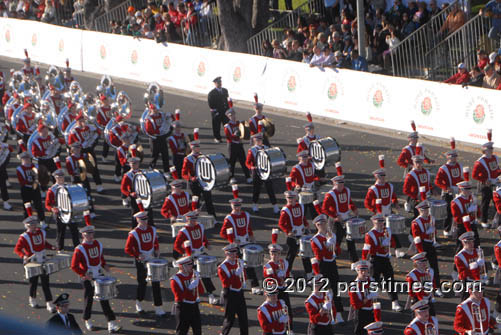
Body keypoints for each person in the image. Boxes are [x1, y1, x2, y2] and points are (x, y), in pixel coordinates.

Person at [71, 225, 121, 333]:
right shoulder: (79, 249)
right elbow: (74, 266)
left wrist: (104, 265)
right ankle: (87, 320)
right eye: (87, 234)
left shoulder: (98, 244)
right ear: (83, 235)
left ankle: (111, 323)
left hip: (99, 275)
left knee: (104, 298)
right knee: (89, 299)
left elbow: (100, 257)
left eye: (91, 233)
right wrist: (84, 274)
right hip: (87, 277)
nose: (90, 236)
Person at [124, 211, 167, 317]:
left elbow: (155, 242)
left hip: (152, 259)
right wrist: (138, 255)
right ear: (137, 220)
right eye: (143, 220)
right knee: (142, 283)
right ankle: (139, 303)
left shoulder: (152, 229)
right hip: (141, 262)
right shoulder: (133, 233)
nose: (145, 221)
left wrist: (157, 249)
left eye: (146, 219)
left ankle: (158, 307)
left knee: (156, 283)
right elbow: (127, 249)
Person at [173, 211, 218, 304]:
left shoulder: (200, 226)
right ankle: (196, 295)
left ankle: (211, 295)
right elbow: (176, 246)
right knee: (192, 277)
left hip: (201, 254)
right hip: (191, 257)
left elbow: (203, 238)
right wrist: (184, 252)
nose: (194, 221)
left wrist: (207, 244)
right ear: (187, 219)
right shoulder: (183, 231)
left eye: (195, 219)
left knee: (206, 275)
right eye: (192, 219)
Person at [220, 198, 263, 295]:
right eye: (235, 206)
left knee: (249, 265)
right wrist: (232, 239)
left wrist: (251, 236)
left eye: (239, 205)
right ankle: (239, 284)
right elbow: (223, 233)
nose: (237, 208)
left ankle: (254, 286)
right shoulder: (229, 218)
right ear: (231, 206)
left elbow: (248, 228)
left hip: (247, 244)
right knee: (239, 266)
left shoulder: (246, 215)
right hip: (236, 246)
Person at [14, 215, 56, 312]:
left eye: (34, 223)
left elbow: (44, 244)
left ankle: (49, 303)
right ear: (27, 226)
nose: (33, 226)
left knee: (46, 283)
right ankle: (32, 298)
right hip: (32, 262)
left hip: (43, 260)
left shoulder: (41, 232)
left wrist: (52, 247)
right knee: (34, 282)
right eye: (31, 224)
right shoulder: (23, 237)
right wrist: (23, 256)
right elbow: (17, 249)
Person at [361, 213, 403, 312]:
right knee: (373, 281)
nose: (381, 223)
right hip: (375, 260)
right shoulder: (370, 234)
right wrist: (381, 244)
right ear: (373, 222)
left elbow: (392, 243)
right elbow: (369, 250)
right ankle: (370, 301)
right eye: (378, 221)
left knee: (390, 279)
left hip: (385, 258)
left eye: (382, 221)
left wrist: (388, 241)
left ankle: (395, 302)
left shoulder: (387, 230)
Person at [310, 214, 344, 323]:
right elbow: (319, 255)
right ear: (316, 225)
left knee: (336, 288)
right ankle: (328, 313)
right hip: (323, 265)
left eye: (324, 223)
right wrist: (328, 245)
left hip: (332, 264)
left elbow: (337, 251)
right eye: (320, 224)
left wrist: (334, 243)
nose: (322, 226)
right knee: (324, 290)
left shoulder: (331, 235)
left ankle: (338, 313)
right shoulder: (314, 239)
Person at [322, 173, 359, 262]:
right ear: (334, 184)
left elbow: (349, 202)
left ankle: (354, 261)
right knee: (335, 241)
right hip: (335, 221)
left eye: (342, 183)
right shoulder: (330, 195)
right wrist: (335, 216)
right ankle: (331, 258)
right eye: (339, 184)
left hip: (347, 219)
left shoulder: (347, 191)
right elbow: (324, 208)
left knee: (350, 239)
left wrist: (354, 208)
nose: (341, 186)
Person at [278, 190, 313, 280]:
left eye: (292, 198)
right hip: (292, 236)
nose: (290, 200)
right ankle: (287, 272)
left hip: (301, 234)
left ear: (296, 198)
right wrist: (288, 231)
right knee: (291, 256)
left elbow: (302, 218)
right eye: (288, 198)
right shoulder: (285, 210)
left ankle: (309, 273)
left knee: (305, 254)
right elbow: (281, 224)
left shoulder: (301, 206)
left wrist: (307, 225)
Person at [411, 199, 442, 296]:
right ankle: (422, 288)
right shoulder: (416, 222)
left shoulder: (431, 218)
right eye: (424, 210)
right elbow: (417, 238)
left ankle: (436, 287)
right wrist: (421, 251)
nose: (426, 211)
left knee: (434, 267)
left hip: (430, 244)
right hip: (422, 246)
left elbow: (433, 232)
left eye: (427, 209)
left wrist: (433, 234)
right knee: (422, 269)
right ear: (420, 210)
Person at [67, 112, 103, 193]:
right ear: (76, 122)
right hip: (80, 151)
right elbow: (70, 143)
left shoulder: (89, 127)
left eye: (83, 120)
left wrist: (94, 136)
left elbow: (98, 132)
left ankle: (99, 185)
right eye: (80, 121)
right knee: (81, 169)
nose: (82, 122)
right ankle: (83, 187)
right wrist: (79, 145)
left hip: (89, 149)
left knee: (94, 167)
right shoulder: (73, 132)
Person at [181, 136, 216, 220]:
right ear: (192, 148)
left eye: (198, 146)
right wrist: (191, 178)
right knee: (196, 202)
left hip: (204, 182)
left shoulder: (203, 157)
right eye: (196, 147)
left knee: (208, 201)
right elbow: (183, 173)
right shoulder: (188, 159)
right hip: (195, 183)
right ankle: (195, 219)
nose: (198, 148)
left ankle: (213, 219)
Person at [218, 243, 249, 335]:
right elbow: (226, 283)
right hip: (230, 293)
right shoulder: (222, 267)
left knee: (243, 317)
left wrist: (243, 273)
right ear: (226, 254)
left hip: (239, 292)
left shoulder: (238, 262)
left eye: (235, 253)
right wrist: (235, 275)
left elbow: (244, 277)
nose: (233, 255)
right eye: (231, 253)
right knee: (229, 319)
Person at [263, 244, 294, 332]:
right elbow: (270, 280)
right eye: (272, 253)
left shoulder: (284, 262)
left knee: (287, 309)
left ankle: (289, 329)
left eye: (276, 253)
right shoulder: (268, 266)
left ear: (280, 254)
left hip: (283, 289)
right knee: (276, 311)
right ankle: (277, 328)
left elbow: (287, 275)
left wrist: (286, 280)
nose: (274, 255)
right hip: (274, 291)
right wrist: (278, 277)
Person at [434, 140, 463, 236]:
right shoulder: (443, 168)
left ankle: (455, 229)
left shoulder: (459, 165)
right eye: (452, 157)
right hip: (448, 192)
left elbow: (460, 177)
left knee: (458, 211)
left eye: (455, 156)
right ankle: (446, 230)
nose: (454, 158)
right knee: (448, 212)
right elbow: (437, 181)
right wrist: (446, 187)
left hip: (458, 191)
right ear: (448, 157)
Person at [46, 169, 80, 251]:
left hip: (70, 212)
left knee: (74, 231)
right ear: (55, 178)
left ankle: (78, 249)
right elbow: (47, 204)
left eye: (62, 177)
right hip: (60, 213)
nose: (60, 179)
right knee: (61, 232)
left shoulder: (68, 187)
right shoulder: (52, 190)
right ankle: (60, 249)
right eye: (58, 177)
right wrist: (52, 209)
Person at [246, 132, 279, 213]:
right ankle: (255, 204)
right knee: (256, 189)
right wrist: (251, 167)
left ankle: (275, 206)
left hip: (266, 172)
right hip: (257, 172)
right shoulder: (252, 150)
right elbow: (247, 162)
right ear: (254, 140)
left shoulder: (266, 147)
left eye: (260, 139)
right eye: (257, 140)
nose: (259, 141)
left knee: (270, 189)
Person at [170, 256, 203, 335]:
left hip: (194, 306)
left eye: (191, 264)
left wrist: (198, 280)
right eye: (189, 264)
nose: (191, 266)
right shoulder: (175, 280)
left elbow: (201, 291)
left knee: (198, 331)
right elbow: (179, 298)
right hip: (183, 308)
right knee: (182, 332)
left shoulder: (193, 275)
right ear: (181, 266)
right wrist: (190, 288)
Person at [472, 139, 500, 228]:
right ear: (485, 150)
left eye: (492, 148)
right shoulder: (480, 162)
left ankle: (498, 220)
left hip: (496, 184)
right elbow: (474, 175)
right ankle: (484, 220)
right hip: (486, 185)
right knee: (485, 203)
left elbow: (496, 169)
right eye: (489, 148)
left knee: (498, 202)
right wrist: (484, 180)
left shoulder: (495, 157)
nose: (491, 150)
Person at [121, 157, 154, 227]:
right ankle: (134, 229)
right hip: (135, 197)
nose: (133, 165)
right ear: (129, 164)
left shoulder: (143, 172)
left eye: (135, 163)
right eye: (131, 163)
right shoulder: (127, 175)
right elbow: (123, 189)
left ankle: (151, 229)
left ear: (138, 164)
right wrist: (130, 194)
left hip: (145, 196)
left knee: (148, 213)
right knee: (135, 214)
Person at [65, 142, 96, 217]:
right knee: (77, 196)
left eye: (78, 148)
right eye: (75, 149)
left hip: (84, 177)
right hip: (75, 179)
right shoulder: (69, 159)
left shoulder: (84, 156)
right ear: (72, 150)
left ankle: (91, 211)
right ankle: (78, 211)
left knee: (88, 194)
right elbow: (69, 171)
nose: (77, 150)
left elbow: (90, 167)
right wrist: (76, 172)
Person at [17, 151, 46, 227]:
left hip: (35, 188)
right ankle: (27, 222)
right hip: (25, 189)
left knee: (38, 205)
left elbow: (41, 177)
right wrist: (31, 182)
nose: (27, 160)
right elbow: (22, 181)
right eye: (24, 158)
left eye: (28, 158)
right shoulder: (19, 169)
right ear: (22, 159)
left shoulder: (36, 166)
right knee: (26, 205)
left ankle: (42, 221)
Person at [224, 106, 251, 184]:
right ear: (228, 117)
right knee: (232, 162)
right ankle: (231, 177)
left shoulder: (239, 123)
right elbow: (228, 137)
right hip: (232, 145)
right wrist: (235, 135)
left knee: (243, 161)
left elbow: (245, 132)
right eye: (231, 115)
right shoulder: (227, 126)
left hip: (239, 144)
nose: (233, 116)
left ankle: (248, 176)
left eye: (234, 114)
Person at [349, 260, 377, 335]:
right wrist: (365, 300)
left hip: (371, 311)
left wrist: (367, 298)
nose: (364, 273)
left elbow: (375, 294)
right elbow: (355, 304)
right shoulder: (353, 285)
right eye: (361, 271)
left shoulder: (371, 280)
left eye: (365, 270)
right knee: (359, 331)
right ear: (357, 271)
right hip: (360, 313)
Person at [290, 151, 319, 219]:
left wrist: (318, 179)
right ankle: (302, 225)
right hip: (302, 190)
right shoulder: (296, 168)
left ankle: (317, 226)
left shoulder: (312, 165)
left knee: (314, 209)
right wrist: (295, 185)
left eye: (306, 157)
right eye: (303, 157)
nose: (305, 159)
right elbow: (291, 180)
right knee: (303, 210)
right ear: (299, 158)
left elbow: (313, 175)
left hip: (312, 189)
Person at [144, 102, 172, 172]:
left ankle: (166, 171)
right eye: (153, 109)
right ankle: (151, 168)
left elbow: (171, 119)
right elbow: (149, 130)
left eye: (156, 108)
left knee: (165, 155)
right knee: (154, 156)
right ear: (150, 110)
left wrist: (169, 117)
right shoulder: (149, 118)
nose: (155, 110)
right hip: (154, 139)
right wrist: (158, 131)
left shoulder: (162, 115)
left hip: (162, 137)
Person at [207, 76, 229, 143]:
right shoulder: (212, 93)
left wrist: (228, 109)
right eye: (218, 82)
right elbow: (211, 104)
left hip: (225, 111)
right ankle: (217, 138)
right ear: (215, 83)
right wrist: (215, 111)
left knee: (227, 124)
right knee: (216, 125)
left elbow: (227, 100)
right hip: (217, 111)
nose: (219, 83)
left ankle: (229, 137)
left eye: (220, 82)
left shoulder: (225, 90)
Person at [0, 142, 12, 210]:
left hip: (1, 169)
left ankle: (5, 202)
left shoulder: (2, 145)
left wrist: (5, 146)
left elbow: (10, 150)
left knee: (3, 186)